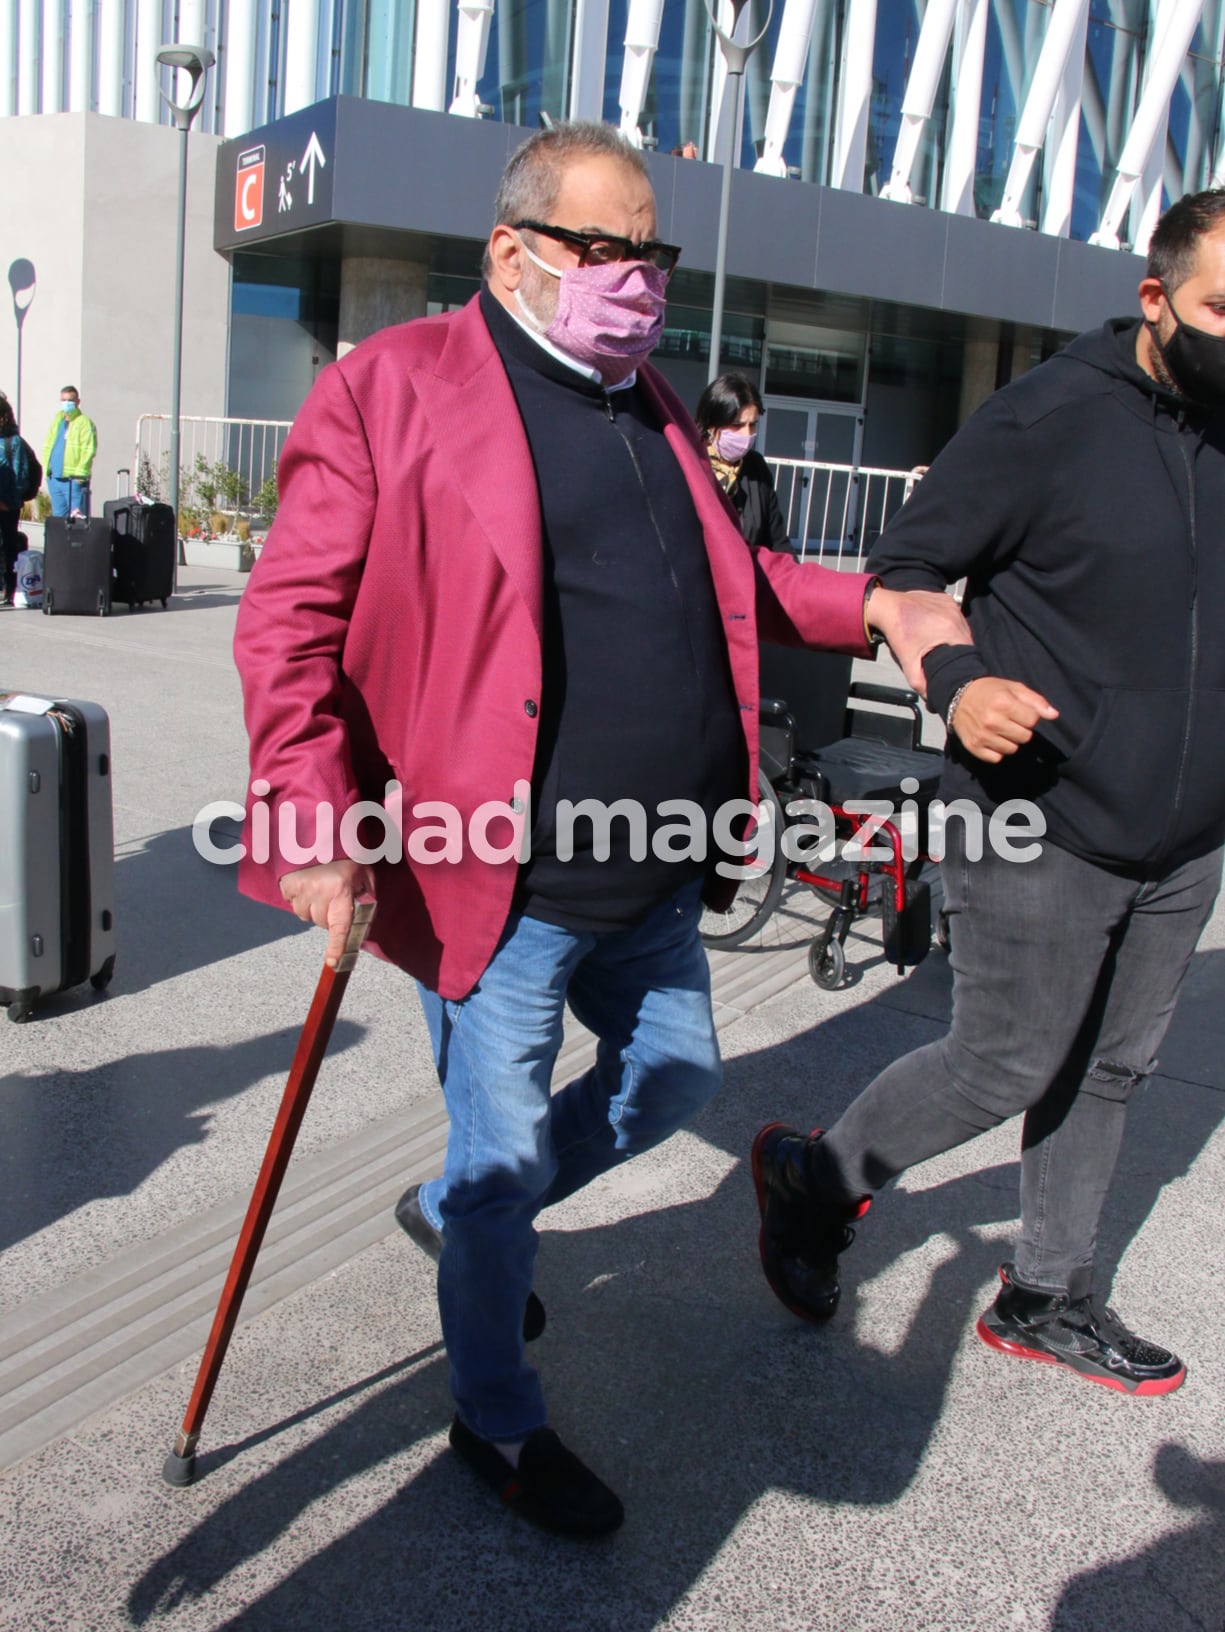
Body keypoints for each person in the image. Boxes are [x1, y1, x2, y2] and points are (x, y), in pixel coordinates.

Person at [233, 120, 970, 1537]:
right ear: (510, 250)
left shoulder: (653, 403)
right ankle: (495, 1414)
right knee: (504, 1160)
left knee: (673, 1080)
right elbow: (289, 625)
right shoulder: (389, 391)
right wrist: (315, 819)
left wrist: (871, 603)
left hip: (646, 870)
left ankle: (462, 1214)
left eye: (652, 251)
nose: (637, 279)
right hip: (490, 885)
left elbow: (736, 576)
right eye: (604, 248)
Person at [752, 186, 1225, 1400]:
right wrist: (955, 681)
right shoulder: (1049, 417)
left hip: (1183, 836)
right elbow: (906, 568)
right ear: (1156, 299)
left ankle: (1045, 1295)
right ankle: (819, 1174)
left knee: (1108, 1073)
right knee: (1004, 1060)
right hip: (1038, 810)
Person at [695, 371, 790, 552]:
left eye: (752, 424)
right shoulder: (690, 464)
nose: (747, 434)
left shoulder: (756, 467)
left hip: (746, 578)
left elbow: (778, 542)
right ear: (711, 424)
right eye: (737, 425)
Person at [0, 391, 40, 605]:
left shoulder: (13, 443)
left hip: (7, 505)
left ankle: (10, 588)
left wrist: (7, 501)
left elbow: (20, 477)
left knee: (8, 546)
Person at [41, 385, 97, 517]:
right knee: (59, 519)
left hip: (73, 480)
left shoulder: (84, 423)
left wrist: (78, 478)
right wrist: (47, 471)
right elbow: (48, 445)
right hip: (55, 478)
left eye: (70, 400)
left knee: (76, 519)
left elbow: (89, 450)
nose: (66, 403)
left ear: (78, 402)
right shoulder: (57, 420)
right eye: (63, 400)